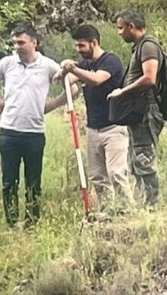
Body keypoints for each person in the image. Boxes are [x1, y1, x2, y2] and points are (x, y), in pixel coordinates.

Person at [0, 24, 64, 227]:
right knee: (9, 179)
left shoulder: (48, 65)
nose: (17, 46)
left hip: (34, 132)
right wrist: (0, 104)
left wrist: (50, 106)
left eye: (21, 42)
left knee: (33, 180)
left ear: (34, 43)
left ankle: (32, 221)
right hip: (9, 131)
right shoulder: (7, 63)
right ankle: (12, 220)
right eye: (14, 43)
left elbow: (73, 87)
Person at [57, 24, 133, 211]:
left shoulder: (111, 61)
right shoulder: (85, 65)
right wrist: (63, 71)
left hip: (114, 127)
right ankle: (107, 210)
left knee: (116, 173)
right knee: (97, 175)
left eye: (81, 46)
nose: (78, 50)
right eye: (77, 46)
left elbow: (97, 79)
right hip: (93, 128)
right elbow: (66, 80)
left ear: (94, 43)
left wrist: (72, 69)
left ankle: (127, 210)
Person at [107, 9, 165, 206]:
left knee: (144, 159)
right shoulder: (140, 47)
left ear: (131, 27)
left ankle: (153, 206)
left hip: (146, 111)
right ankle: (147, 204)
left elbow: (150, 78)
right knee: (136, 160)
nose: (119, 32)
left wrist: (122, 92)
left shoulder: (148, 46)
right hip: (139, 112)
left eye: (120, 28)